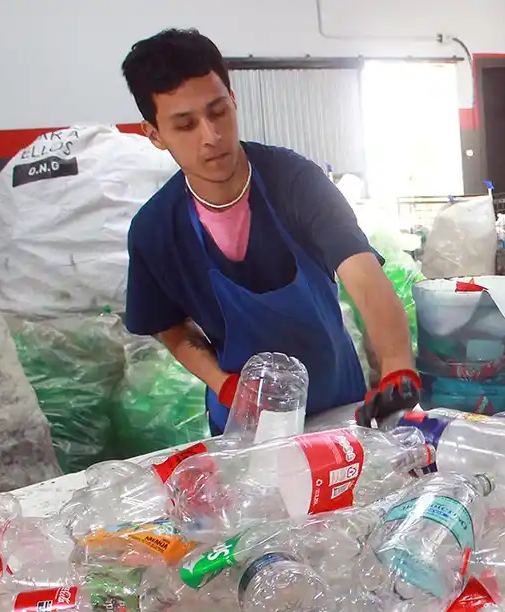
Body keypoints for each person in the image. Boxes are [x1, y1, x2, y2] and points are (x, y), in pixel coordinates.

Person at [120, 29, 419, 434]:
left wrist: (396, 367)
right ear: (154, 134)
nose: (211, 136)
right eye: (186, 124)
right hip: (250, 426)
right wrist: (225, 386)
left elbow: (363, 275)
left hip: (341, 407)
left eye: (218, 111)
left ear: (233, 99)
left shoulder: (295, 182)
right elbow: (167, 325)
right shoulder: (156, 230)